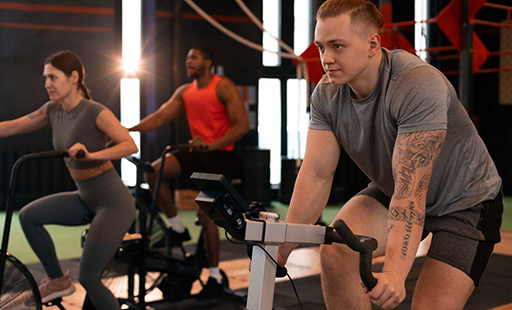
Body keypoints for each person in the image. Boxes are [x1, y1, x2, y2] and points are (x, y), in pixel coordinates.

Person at [277, 1, 503, 309]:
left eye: (337, 46)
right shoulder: (327, 94)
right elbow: (316, 174)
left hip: (465, 204)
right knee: (337, 250)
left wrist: (395, 272)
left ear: (372, 44)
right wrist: (282, 247)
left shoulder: (416, 84)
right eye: (320, 47)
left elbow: (412, 191)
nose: (326, 59)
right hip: (393, 190)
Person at [0, 51, 137, 309]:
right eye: (45, 78)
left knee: (89, 278)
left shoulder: (95, 111)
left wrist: (92, 154)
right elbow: (14, 126)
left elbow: (129, 145)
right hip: (85, 197)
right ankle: (57, 280)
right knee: (28, 216)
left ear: (73, 77)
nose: (47, 84)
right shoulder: (52, 110)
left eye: (53, 77)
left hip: (113, 202)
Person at [129, 45, 249, 299]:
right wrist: (126, 130)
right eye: (187, 59)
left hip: (222, 155)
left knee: (208, 216)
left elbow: (242, 127)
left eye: (193, 58)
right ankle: (176, 227)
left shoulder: (223, 86)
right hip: (198, 152)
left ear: (208, 61)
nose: (188, 62)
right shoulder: (185, 91)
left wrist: (212, 144)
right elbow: (159, 117)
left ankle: (214, 276)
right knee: (153, 171)